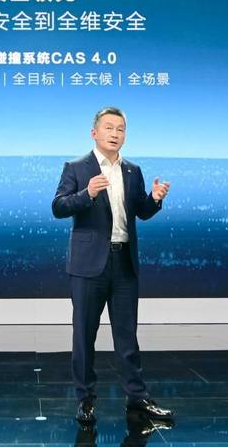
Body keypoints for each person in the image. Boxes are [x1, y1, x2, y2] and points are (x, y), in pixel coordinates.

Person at [52, 106, 174, 426]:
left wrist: (155, 198)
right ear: (94, 133)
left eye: (120, 129)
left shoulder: (132, 171)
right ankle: (85, 400)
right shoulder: (76, 168)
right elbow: (59, 206)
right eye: (109, 128)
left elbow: (141, 211)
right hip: (88, 266)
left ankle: (137, 398)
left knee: (127, 336)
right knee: (84, 336)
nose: (115, 133)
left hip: (124, 263)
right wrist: (87, 193)